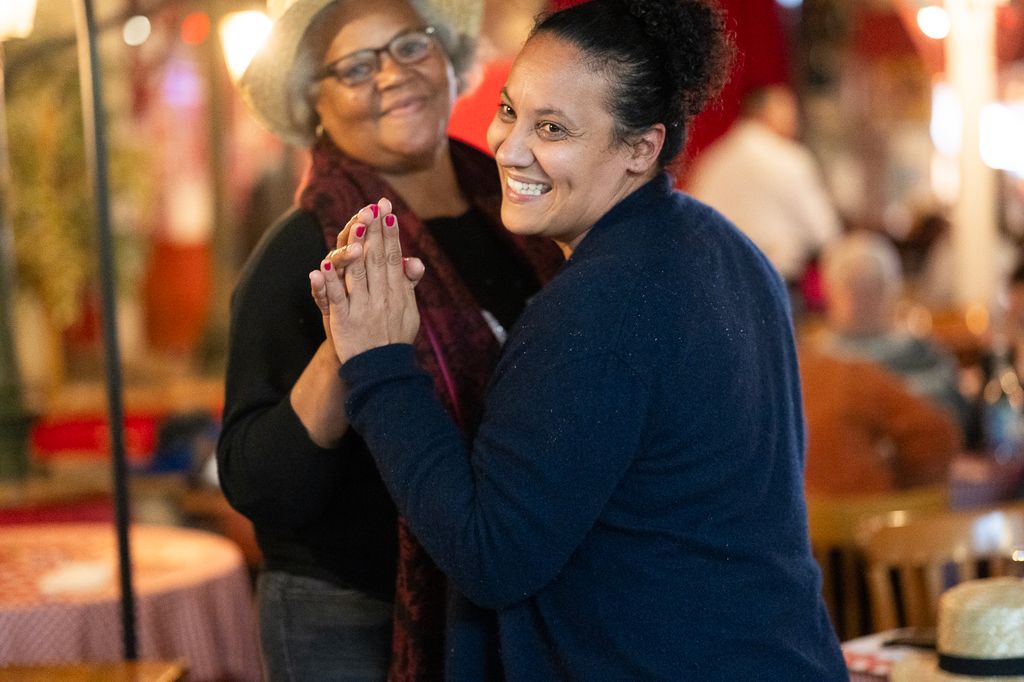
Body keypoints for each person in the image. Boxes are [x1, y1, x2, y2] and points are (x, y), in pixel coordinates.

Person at [311, 0, 847, 678]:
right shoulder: (722, 245)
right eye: (509, 111)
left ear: (640, 148)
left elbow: (490, 558)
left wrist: (379, 363)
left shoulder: (601, 307)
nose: (509, 147)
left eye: (553, 127)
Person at [215, 0, 563, 678]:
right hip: (348, 610)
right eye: (354, 66)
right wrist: (351, 344)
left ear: (449, 59)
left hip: (511, 586)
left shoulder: (521, 205)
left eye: (409, 46)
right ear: (312, 104)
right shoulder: (300, 254)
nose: (391, 75)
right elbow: (258, 484)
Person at [686, 84, 842, 311]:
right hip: (774, 283)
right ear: (769, 113)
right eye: (790, 110)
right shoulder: (790, 159)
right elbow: (825, 232)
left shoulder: (713, 162)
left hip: (716, 288)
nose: (795, 120)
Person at [816, 230, 968, 429]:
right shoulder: (818, 361)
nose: (861, 301)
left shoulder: (918, 351)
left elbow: (953, 411)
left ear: (890, 291)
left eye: (871, 288)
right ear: (830, 292)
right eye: (853, 287)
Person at [799, 350, 960, 496]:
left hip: (805, 518)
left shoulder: (832, 373)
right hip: (866, 514)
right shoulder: (841, 374)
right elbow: (932, 432)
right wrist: (905, 490)